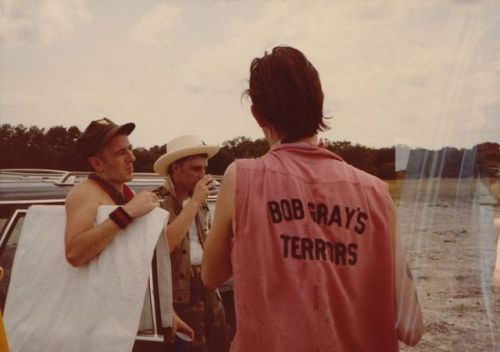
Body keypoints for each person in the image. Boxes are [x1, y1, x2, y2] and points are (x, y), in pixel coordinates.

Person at [202, 46, 424, 351]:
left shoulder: (241, 178)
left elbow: (212, 276)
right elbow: (411, 327)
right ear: (318, 104)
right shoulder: (376, 192)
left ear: (257, 115)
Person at [64, 117, 193, 344]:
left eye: (130, 149)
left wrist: (166, 313)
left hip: (129, 324)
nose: (132, 158)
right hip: (103, 329)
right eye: (120, 153)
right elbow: (75, 252)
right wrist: (127, 213)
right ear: (97, 164)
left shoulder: (126, 193)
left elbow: (142, 261)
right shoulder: (85, 193)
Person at [153, 135, 229, 352]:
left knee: (219, 344)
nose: (203, 174)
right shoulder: (156, 201)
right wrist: (194, 202)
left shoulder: (202, 203)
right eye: (196, 169)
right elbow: (164, 245)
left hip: (207, 286)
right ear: (176, 169)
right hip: (178, 294)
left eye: (205, 168)